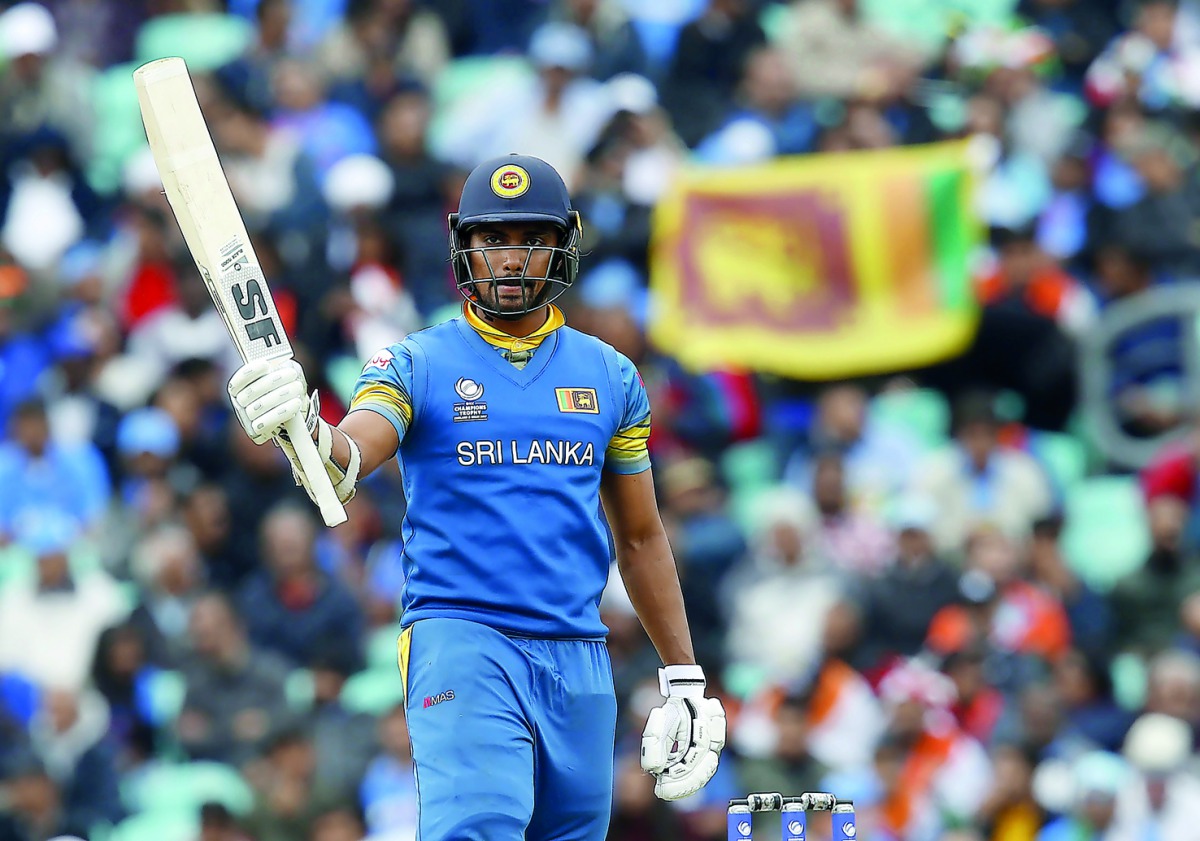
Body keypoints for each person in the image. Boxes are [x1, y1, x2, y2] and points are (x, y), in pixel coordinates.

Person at [225, 153, 726, 840]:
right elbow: (348, 457)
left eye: (531, 238)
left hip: (580, 652)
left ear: (564, 242)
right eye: (494, 239)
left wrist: (683, 675)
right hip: (463, 637)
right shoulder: (416, 362)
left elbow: (639, 538)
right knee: (479, 827)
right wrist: (305, 429)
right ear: (464, 243)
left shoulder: (611, 376)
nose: (512, 258)